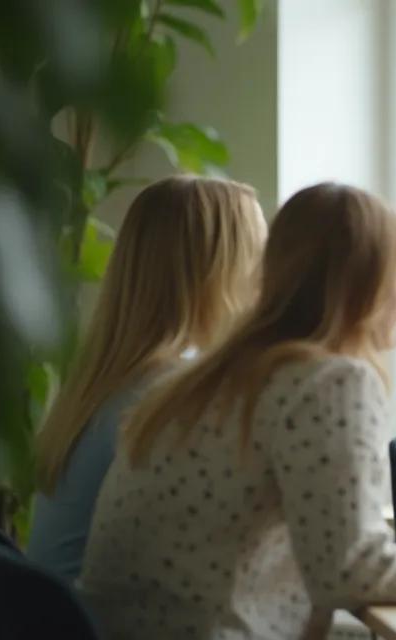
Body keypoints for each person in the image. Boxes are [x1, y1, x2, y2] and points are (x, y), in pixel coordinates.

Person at [80, 183, 396, 639]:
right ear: (362, 288)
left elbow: (341, 555)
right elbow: (350, 572)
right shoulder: (328, 382)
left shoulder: (219, 375)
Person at [28, 176, 267, 582]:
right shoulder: (167, 391)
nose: (266, 278)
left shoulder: (107, 380)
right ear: (219, 273)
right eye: (258, 256)